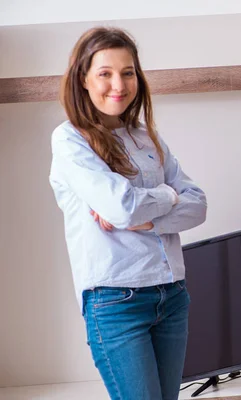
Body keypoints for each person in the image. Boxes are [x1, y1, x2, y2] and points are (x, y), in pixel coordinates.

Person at [49, 27, 207, 400]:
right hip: (115, 302)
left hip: (171, 295)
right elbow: (122, 207)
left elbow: (198, 205)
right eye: (105, 72)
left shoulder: (146, 137)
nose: (118, 83)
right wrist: (169, 193)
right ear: (83, 79)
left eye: (128, 72)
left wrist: (150, 217)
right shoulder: (69, 139)